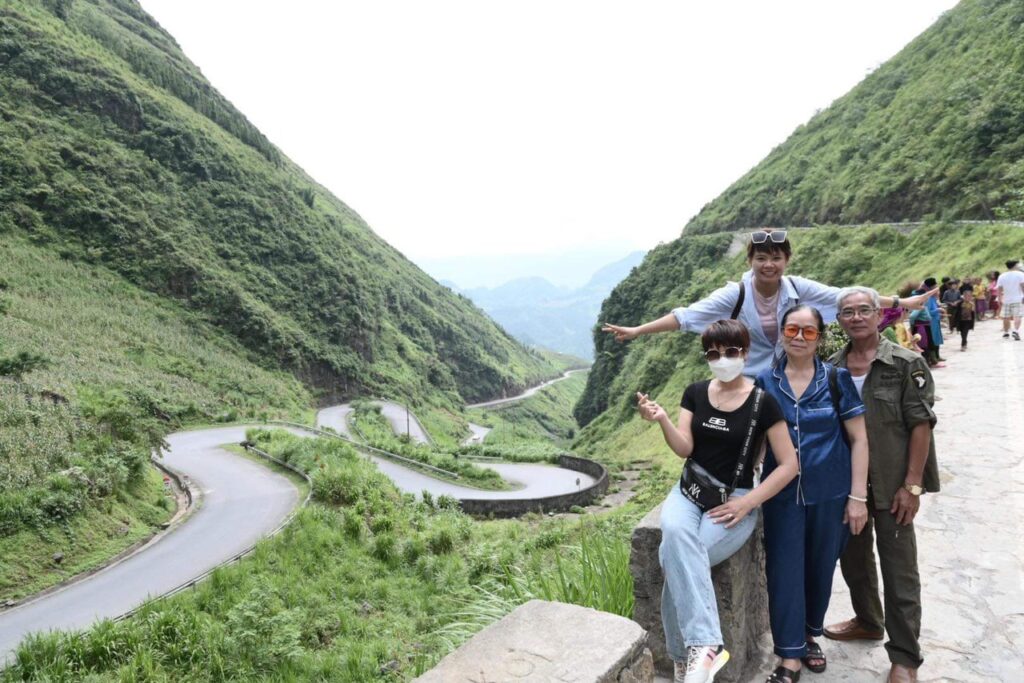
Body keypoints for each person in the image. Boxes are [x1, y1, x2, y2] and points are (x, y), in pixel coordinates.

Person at [637, 319, 799, 683]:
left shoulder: (764, 402)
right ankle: (706, 646)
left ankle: (684, 661)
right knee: (674, 535)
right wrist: (662, 419)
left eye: (730, 352)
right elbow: (686, 448)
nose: (722, 359)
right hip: (689, 490)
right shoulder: (695, 392)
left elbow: (789, 465)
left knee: (673, 557)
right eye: (713, 353)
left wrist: (748, 504)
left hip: (734, 498)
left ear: (744, 352)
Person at [602, 229, 935, 378]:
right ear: (751, 259)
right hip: (746, 378)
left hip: (787, 374)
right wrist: (637, 331)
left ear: (786, 260)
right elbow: (686, 317)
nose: (769, 265)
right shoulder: (737, 294)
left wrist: (900, 300)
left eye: (776, 258)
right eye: (761, 258)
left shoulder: (796, 287)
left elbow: (844, 296)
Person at [823, 287, 940, 683]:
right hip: (850, 487)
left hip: (893, 484)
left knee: (899, 570)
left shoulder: (906, 363)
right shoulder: (832, 369)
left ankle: (905, 657)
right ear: (839, 320)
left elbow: (920, 426)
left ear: (878, 315)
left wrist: (913, 486)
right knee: (854, 560)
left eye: (863, 310)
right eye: (847, 312)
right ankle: (868, 621)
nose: (856, 317)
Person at [753, 305, 869, 683]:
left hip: (830, 492)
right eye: (792, 329)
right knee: (784, 570)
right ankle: (789, 656)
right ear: (782, 334)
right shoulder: (763, 383)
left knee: (820, 567)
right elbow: (753, 443)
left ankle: (809, 636)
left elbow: (859, 438)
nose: (799, 337)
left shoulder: (836, 379)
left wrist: (857, 497)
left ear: (820, 337)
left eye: (808, 331)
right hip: (781, 494)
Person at [996, 260, 1024, 340]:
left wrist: (999, 299)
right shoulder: (1020, 274)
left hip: (1006, 299)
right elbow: (1023, 286)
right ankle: (1015, 331)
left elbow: (999, 289)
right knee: (1017, 316)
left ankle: (1006, 333)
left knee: (1005, 316)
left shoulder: (1002, 276)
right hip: (1018, 299)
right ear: (1015, 265)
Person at [951, 285, 975, 351]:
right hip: (961, 320)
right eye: (966, 296)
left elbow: (973, 313)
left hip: (968, 320)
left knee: (965, 332)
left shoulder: (972, 304)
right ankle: (965, 341)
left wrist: (972, 307)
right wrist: (953, 323)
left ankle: (963, 345)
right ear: (963, 296)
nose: (968, 297)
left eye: (970, 296)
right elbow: (956, 313)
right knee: (962, 333)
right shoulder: (960, 303)